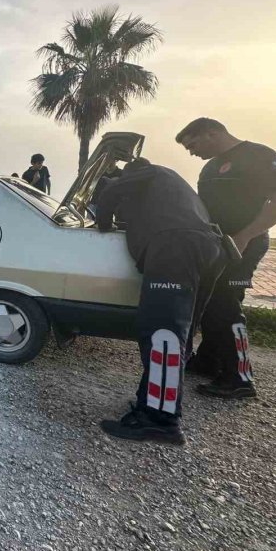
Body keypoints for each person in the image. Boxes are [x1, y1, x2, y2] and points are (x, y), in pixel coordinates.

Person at [95, 158, 226, 444]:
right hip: (209, 247)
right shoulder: (171, 181)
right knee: (180, 334)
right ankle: (154, 400)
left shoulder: (145, 172)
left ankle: (159, 421)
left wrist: (102, 223)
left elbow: (110, 193)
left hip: (175, 249)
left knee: (161, 334)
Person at [176, 117, 276, 399]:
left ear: (212, 132)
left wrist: (245, 236)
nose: (192, 153)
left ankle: (240, 378)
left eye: (193, 145)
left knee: (227, 305)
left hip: (245, 243)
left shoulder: (259, 155)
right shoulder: (209, 168)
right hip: (216, 244)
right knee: (208, 303)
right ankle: (209, 361)